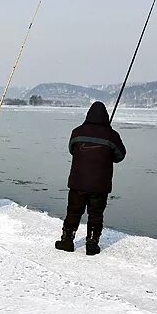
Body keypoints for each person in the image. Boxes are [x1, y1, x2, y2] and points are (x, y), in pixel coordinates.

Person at [55, 101, 126, 256]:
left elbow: (72, 150)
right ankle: (92, 245)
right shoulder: (112, 135)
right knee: (96, 214)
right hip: (100, 185)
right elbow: (120, 156)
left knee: (73, 212)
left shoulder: (77, 132)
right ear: (106, 117)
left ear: (88, 115)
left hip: (77, 183)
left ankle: (67, 241)